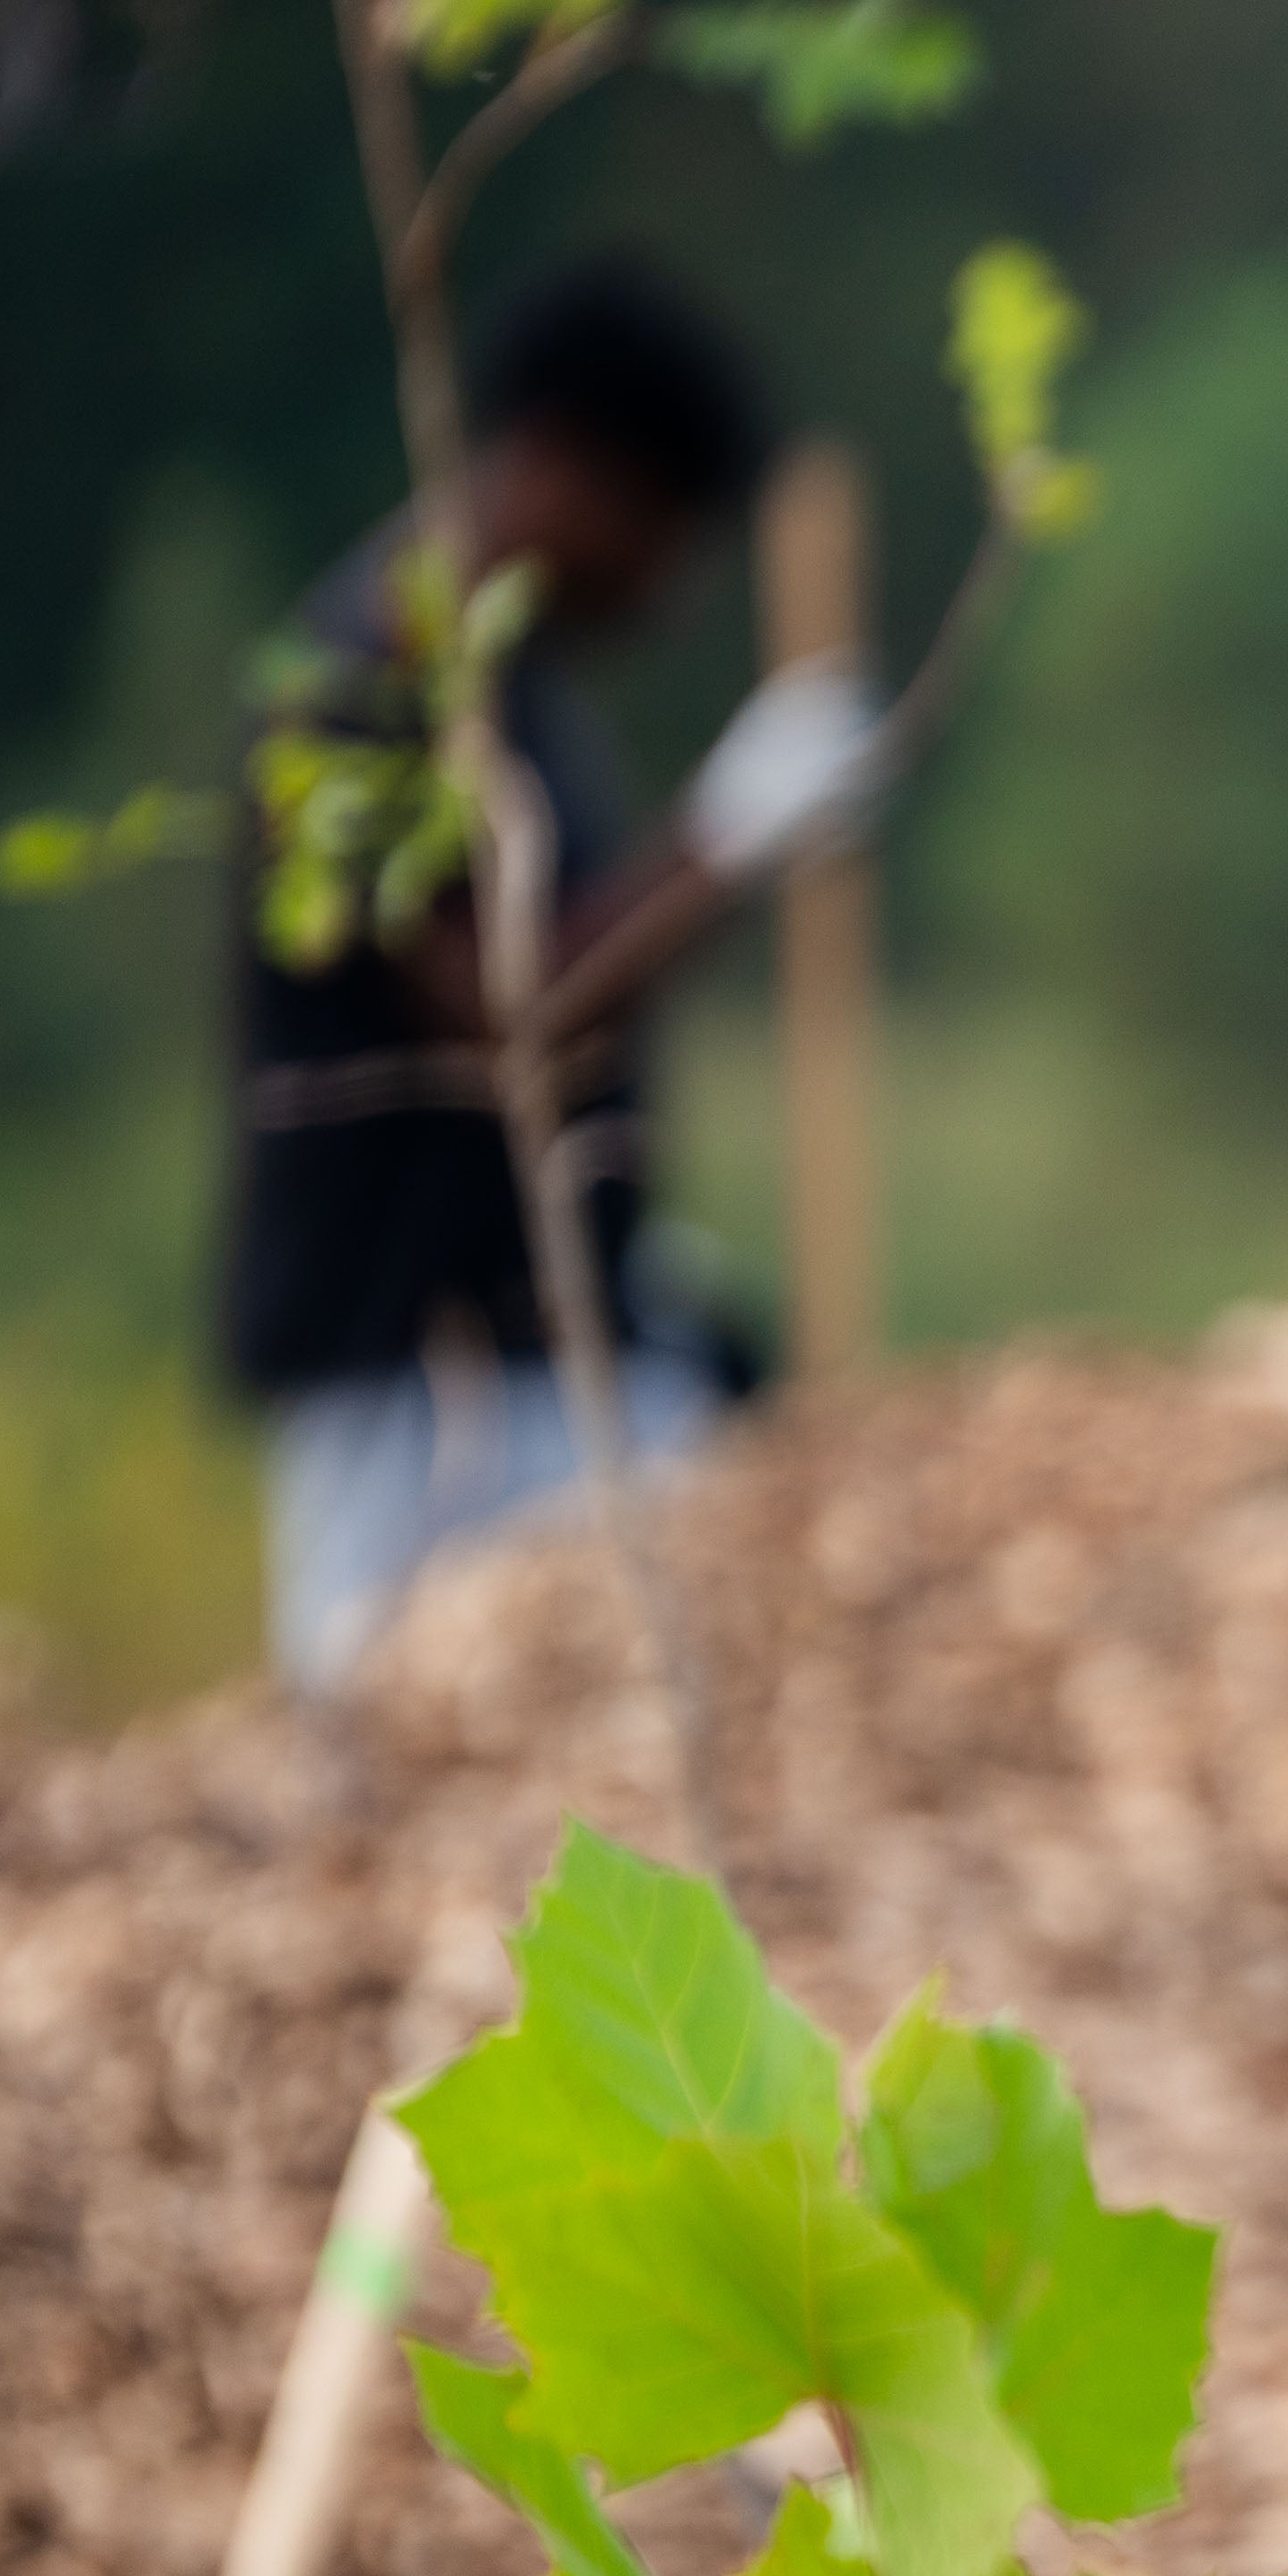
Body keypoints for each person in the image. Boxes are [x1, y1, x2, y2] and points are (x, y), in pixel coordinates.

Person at [226, 254, 889, 1690]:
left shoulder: (518, 703)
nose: (672, 584)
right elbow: (500, 1014)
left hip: (554, 1356)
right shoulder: (354, 692)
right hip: (407, 1383)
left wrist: (630, 1258)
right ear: (571, 472)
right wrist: (727, 839)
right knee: (408, 1782)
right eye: (669, 531)